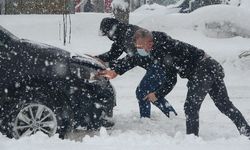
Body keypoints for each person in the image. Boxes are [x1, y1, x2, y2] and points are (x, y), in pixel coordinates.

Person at [100, 28, 250, 137]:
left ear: (150, 43)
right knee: (224, 104)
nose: (139, 50)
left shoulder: (164, 48)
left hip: (203, 69)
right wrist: (157, 94)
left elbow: (135, 59)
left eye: (140, 46)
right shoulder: (161, 49)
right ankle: (246, 131)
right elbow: (171, 79)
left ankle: (192, 140)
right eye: (137, 47)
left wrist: (117, 70)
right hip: (211, 66)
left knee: (191, 107)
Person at [95, 17, 177, 118]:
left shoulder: (130, 34)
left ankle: (147, 118)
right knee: (149, 93)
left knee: (143, 91)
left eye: (107, 34)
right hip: (154, 65)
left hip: (159, 64)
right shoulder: (120, 36)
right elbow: (113, 54)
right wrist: (96, 58)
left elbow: (134, 58)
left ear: (112, 30)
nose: (108, 37)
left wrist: (116, 70)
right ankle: (170, 114)